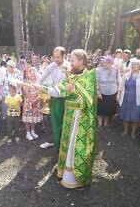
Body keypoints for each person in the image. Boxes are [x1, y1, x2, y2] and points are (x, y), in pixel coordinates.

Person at [37, 49, 97, 189]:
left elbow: (89, 101)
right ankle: (64, 171)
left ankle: (76, 179)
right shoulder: (71, 75)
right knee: (66, 144)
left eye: (73, 61)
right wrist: (41, 88)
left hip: (80, 119)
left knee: (74, 147)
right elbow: (59, 90)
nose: (70, 63)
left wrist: (73, 91)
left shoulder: (89, 76)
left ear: (81, 61)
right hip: (69, 115)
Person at [37, 46, 70, 150]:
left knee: (64, 121)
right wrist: (38, 88)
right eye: (54, 57)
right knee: (52, 120)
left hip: (66, 98)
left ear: (64, 56)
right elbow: (40, 79)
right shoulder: (51, 66)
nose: (56, 59)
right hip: (54, 97)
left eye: (58, 57)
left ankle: (63, 146)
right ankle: (51, 141)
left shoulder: (69, 67)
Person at [118, 59, 140, 140]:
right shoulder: (126, 75)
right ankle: (125, 131)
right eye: (132, 65)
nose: (133, 66)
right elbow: (121, 87)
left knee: (135, 116)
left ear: (139, 66)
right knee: (125, 115)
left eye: (135, 65)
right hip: (126, 98)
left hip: (137, 99)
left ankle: (133, 133)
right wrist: (118, 96)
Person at [96, 56, 119, 130]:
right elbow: (96, 82)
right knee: (100, 110)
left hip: (112, 93)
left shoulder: (115, 70)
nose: (105, 64)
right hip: (101, 93)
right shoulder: (99, 70)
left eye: (107, 62)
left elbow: (119, 81)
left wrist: (118, 93)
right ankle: (100, 124)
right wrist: (98, 92)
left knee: (108, 110)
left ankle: (106, 124)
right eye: (104, 62)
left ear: (111, 63)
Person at [22, 67, 42, 141]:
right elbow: (26, 93)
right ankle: (28, 133)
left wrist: (36, 100)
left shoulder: (38, 82)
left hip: (36, 103)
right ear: (28, 74)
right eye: (31, 73)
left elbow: (40, 92)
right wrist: (32, 101)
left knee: (34, 117)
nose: (33, 74)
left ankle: (32, 131)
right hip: (28, 103)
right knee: (28, 117)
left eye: (34, 73)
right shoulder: (27, 82)